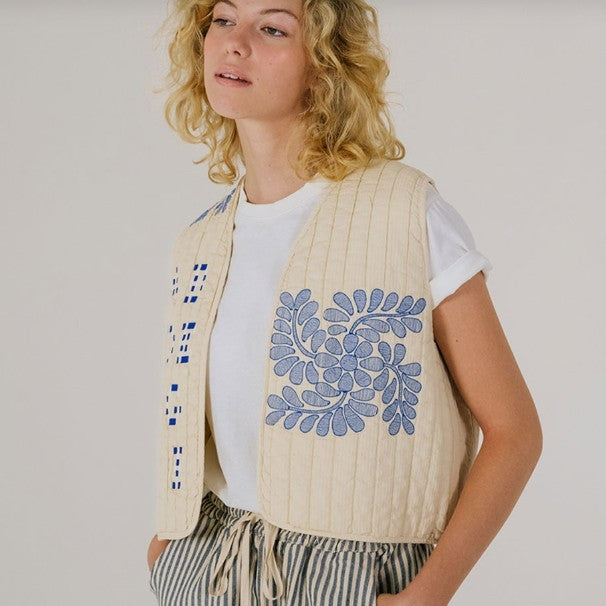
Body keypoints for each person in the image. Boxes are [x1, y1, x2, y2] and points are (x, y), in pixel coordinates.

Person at [147, 1, 543, 605]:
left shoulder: (405, 213)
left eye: (272, 28)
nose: (235, 42)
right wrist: (167, 550)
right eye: (222, 19)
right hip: (210, 570)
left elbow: (515, 432)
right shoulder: (198, 244)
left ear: (325, 64)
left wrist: (426, 596)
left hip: (356, 577)